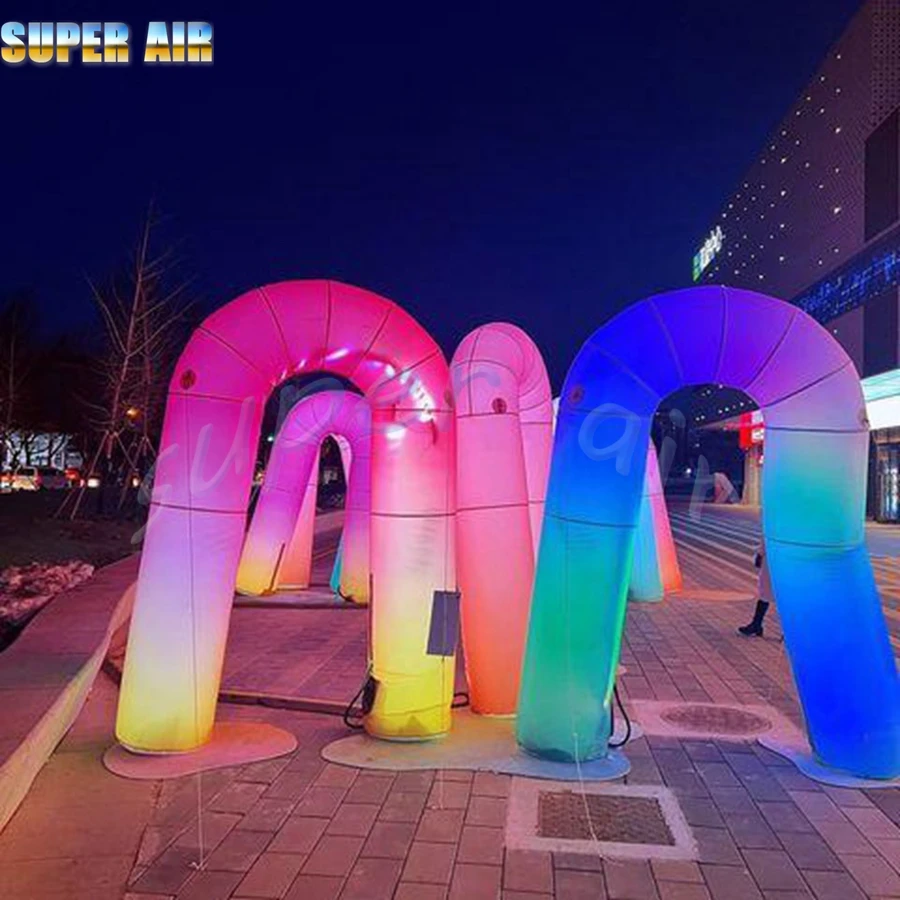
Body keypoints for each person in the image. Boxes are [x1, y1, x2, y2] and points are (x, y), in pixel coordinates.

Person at [739, 539, 772, 637]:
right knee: (767, 593)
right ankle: (757, 624)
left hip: (775, 556)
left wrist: (760, 553)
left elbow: (767, 535)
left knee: (766, 593)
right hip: (787, 557)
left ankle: (756, 624)